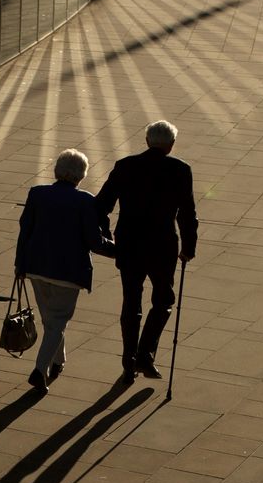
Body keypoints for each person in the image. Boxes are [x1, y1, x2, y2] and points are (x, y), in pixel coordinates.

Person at [95, 120, 199, 380]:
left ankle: (128, 360)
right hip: (162, 246)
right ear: (171, 144)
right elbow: (187, 213)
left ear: (147, 141)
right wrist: (188, 247)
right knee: (163, 300)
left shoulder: (125, 166)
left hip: (129, 244)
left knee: (131, 301)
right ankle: (145, 354)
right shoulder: (180, 170)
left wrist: (106, 235)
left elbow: (101, 205)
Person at [14, 148, 115, 391]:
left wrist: (20, 264)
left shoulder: (37, 194)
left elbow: (24, 230)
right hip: (68, 273)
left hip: (36, 267)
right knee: (57, 323)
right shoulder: (85, 201)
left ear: (57, 170)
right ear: (81, 176)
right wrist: (120, 251)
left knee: (52, 320)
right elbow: (93, 242)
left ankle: (58, 360)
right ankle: (40, 370)